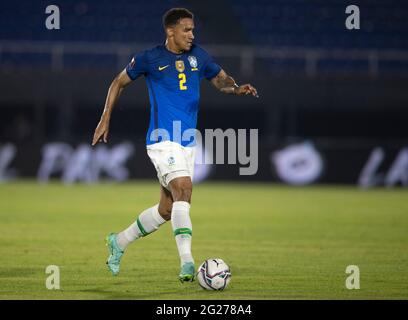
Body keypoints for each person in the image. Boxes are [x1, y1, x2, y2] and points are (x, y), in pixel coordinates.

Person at [92, 8, 258, 282]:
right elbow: (117, 83)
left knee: (167, 210)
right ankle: (187, 263)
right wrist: (104, 119)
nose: (192, 34)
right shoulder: (149, 58)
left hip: (186, 141)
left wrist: (236, 87)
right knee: (184, 189)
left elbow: (221, 80)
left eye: (193, 29)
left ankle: (118, 242)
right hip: (161, 139)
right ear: (171, 31)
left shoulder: (199, 56)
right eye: (186, 30)